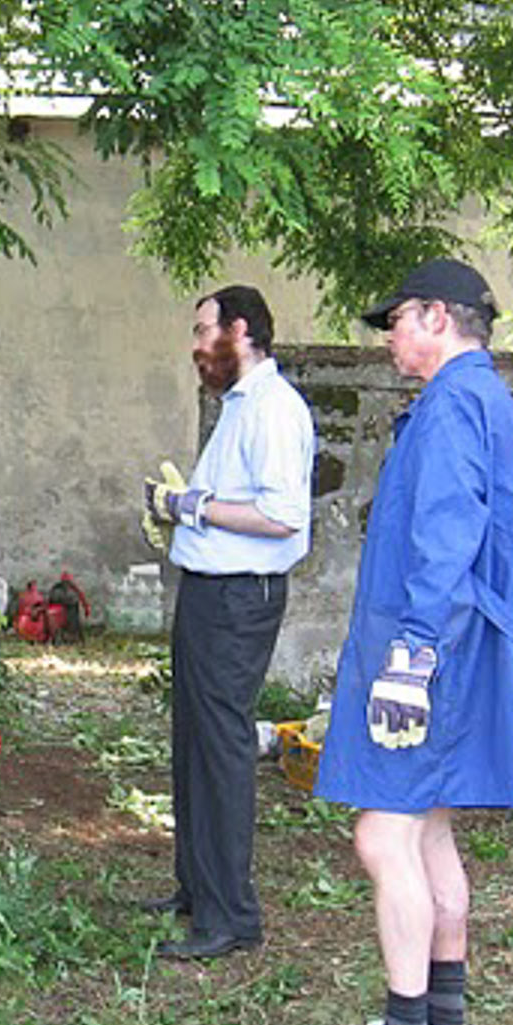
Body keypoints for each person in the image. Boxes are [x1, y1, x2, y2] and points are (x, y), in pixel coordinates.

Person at [304, 258, 513, 1025]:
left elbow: (444, 540)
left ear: (439, 317)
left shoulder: (451, 407)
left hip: (430, 651)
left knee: (384, 834)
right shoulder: (493, 405)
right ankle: (446, 1022)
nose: (389, 337)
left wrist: (409, 660)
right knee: (431, 827)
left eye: (397, 318)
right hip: (464, 647)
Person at [140, 286, 314, 960]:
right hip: (212, 592)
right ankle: (197, 888)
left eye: (202, 329)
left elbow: (281, 517)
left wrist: (189, 506)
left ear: (238, 330)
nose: (194, 343)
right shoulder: (242, 406)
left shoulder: (272, 409)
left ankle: (230, 917)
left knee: (221, 748)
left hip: (240, 599)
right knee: (194, 739)